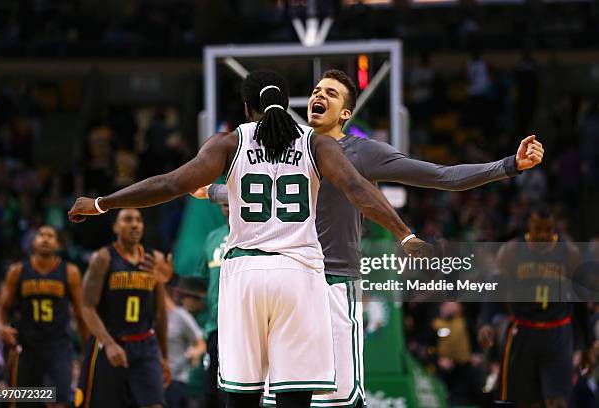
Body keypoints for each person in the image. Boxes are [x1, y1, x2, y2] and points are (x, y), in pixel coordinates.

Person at [67, 70, 429, 408]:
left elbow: (172, 183)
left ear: (246, 107)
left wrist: (103, 203)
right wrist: (405, 233)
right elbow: (356, 188)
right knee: (296, 397)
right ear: (288, 104)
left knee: (243, 397)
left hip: (244, 275)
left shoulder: (228, 143)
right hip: (299, 275)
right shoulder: (316, 144)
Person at [201, 69, 545, 408]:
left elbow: (442, 176)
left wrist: (508, 165)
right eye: (317, 90)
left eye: (331, 94)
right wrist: (216, 190)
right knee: (281, 399)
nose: (319, 96)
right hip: (290, 284)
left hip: (333, 281)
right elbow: (254, 191)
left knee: (340, 398)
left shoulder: (362, 153)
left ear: (346, 113)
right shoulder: (290, 145)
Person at [478, 207, 595, 407]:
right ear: (528, 227)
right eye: (538, 229)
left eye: (547, 230)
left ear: (554, 228)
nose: (542, 235)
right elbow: (494, 289)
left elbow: (581, 302)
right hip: (523, 330)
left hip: (558, 333)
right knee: (525, 401)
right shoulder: (512, 251)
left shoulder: (569, 252)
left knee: (557, 401)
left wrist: (588, 345)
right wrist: (486, 321)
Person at [74, 209, 170, 408]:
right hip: (111, 342)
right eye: (127, 220)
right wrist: (108, 343)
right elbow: (87, 307)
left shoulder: (155, 259)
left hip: (145, 345)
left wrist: (164, 356)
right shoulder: (103, 258)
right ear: (116, 227)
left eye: (138, 220)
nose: (135, 224)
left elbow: (160, 313)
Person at [0, 225, 88, 407]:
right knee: (25, 401)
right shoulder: (17, 271)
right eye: (41, 235)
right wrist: (2, 327)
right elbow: (3, 308)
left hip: (59, 348)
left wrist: (86, 350)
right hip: (28, 347)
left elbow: (80, 313)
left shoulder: (70, 272)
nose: (45, 239)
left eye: (50, 236)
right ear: (33, 242)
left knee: (58, 401)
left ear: (58, 244)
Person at [193, 203, 229, 408]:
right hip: (214, 329)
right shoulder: (212, 238)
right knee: (211, 396)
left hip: (247, 329)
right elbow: (202, 286)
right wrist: (172, 278)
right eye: (222, 194)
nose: (226, 200)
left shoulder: (258, 235)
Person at [165, 276, 206, 408]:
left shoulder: (181, 316)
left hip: (176, 381)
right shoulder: (151, 314)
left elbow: (201, 344)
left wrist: (194, 353)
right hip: (155, 379)